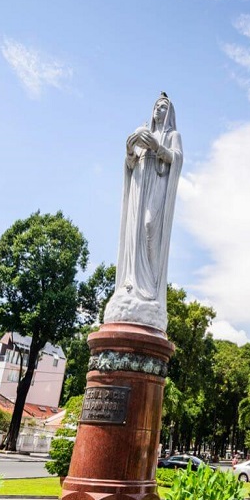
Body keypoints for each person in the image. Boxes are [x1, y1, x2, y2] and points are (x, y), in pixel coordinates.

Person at [104, 92, 183, 332]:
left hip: (157, 184)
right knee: (135, 232)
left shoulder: (172, 135)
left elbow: (176, 159)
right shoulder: (143, 131)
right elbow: (130, 164)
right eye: (157, 106)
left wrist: (158, 147)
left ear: (169, 113)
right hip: (140, 185)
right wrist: (130, 148)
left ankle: (150, 287)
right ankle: (131, 284)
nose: (158, 110)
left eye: (163, 107)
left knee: (150, 226)